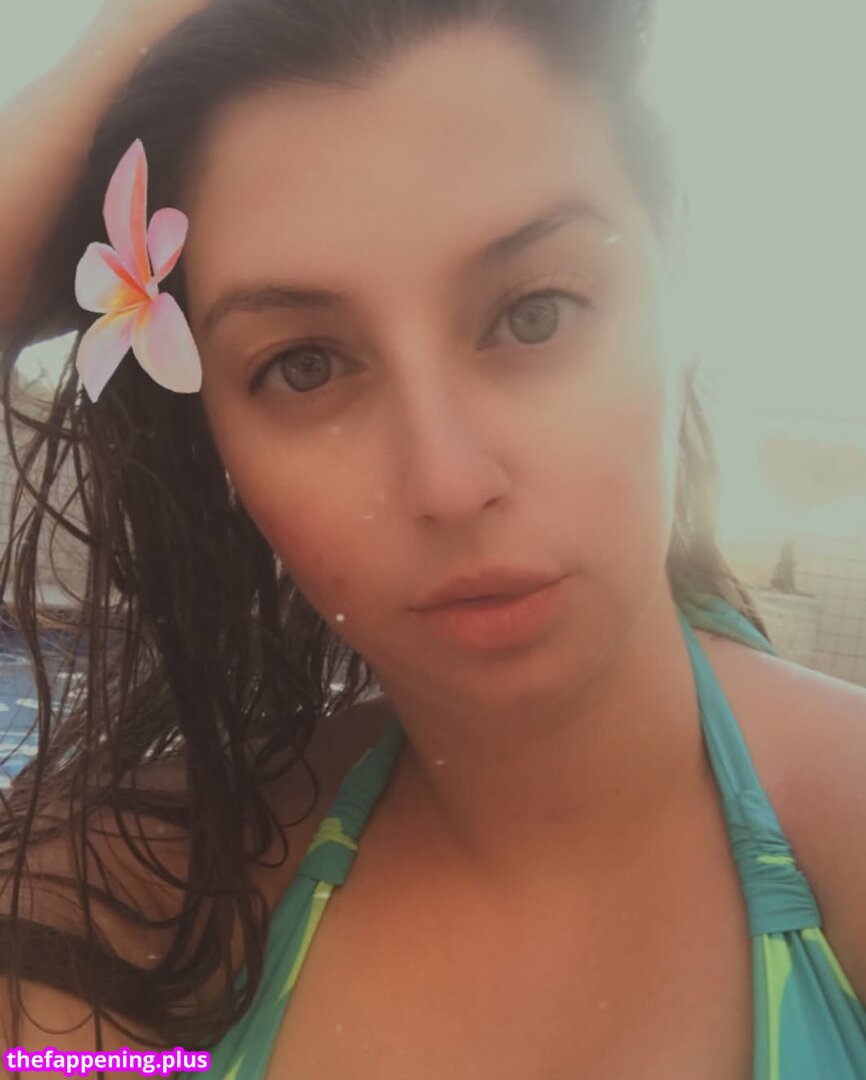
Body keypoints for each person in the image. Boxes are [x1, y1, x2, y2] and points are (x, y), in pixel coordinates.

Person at [1, 1, 865, 1077]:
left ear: (675, 287)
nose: (448, 482)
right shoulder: (137, 908)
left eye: (535, 313)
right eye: (305, 366)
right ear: (214, 439)